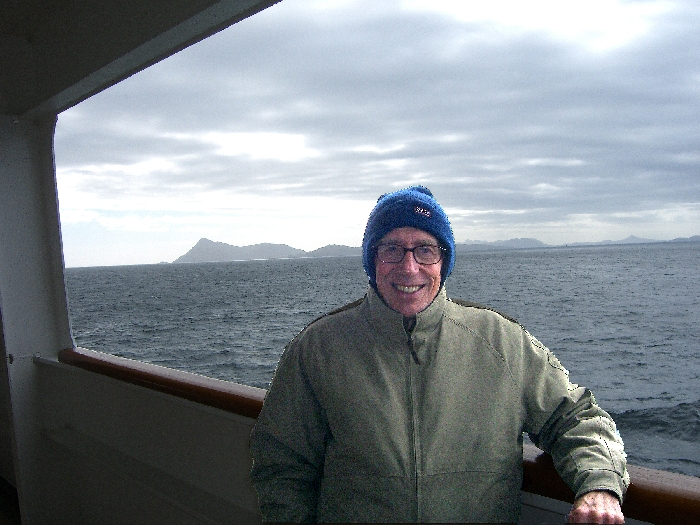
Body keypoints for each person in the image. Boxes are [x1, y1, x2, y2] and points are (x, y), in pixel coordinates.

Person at [250, 186, 629, 523]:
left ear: (444, 261)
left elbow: (575, 416)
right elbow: (282, 466)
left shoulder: (502, 341)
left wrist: (599, 485)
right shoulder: (317, 348)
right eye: (392, 249)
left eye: (425, 250)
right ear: (372, 260)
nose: (409, 267)